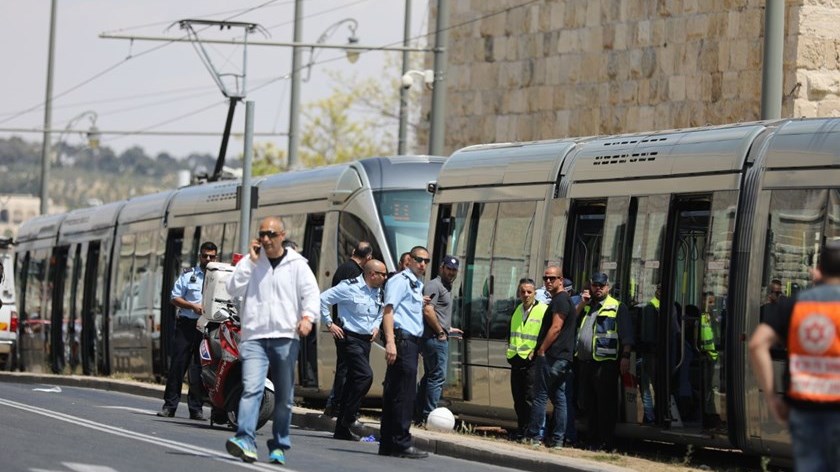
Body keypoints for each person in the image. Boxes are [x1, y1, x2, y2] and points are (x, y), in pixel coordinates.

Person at [224, 217, 320, 465]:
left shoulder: (297, 264)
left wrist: (308, 318)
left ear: (282, 235)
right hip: (255, 336)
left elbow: (311, 294)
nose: (265, 239)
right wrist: (250, 263)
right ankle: (245, 438)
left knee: (284, 398)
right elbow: (233, 288)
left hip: (285, 338)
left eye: (271, 234)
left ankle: (279, 444)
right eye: (262, 234)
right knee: (252, 388)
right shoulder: (251, 262)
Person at [749, 241, 840, 472]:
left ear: (820, 269)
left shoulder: (795, 304)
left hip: (804, 409)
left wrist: (771, 397)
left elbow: (757, 344)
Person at [320, 259, 387, 441]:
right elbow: (322, 299)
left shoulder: (378, 291)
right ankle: (350, 416)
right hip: (348, 338)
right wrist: (329, 323)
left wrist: (375, 326)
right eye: (382, 274)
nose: (385, 277)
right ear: (372, 274)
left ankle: (341, 429)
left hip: (366, 341)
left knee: (352, 381)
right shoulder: (349, 287)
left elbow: (380, 311)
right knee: (365, 376)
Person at [378, 246, 431, 459]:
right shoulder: (400, 281)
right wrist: (390, 342)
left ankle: (389, 442)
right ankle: (401, 442)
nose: (422, 264)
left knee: (394, 392)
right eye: (419, 259)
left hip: (409, 341)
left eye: (426, 261)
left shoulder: (416, 284)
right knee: (405, 394)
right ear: (408, 260)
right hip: (402, 340)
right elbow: (388, 312)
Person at [157, 241, 217, 420]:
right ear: (200, 256)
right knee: (178, 366)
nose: (208, 259)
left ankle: (196, 408)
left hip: (206, 328)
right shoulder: (189, 275)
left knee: (200, 368)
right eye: (205, 256)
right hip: (187, 326)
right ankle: (170, 406)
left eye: (211, 256)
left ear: (216, 257)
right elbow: (174, 297)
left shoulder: (220, 277)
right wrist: (192, 306)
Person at [576, 272, 634, 450]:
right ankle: (591, 439)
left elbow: (627, 336)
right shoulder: (586, 306)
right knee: (589, 403)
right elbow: (571, 322)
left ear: (608, 287)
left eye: (602, 286)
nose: (598, 288)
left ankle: (605, 441)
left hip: (606, 363)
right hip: (586, 362)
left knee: (605, 405)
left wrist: (625, 357)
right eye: (595, 285)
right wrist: (582, 303)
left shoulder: (617, 307)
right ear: (590, 286)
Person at [524, 265, 576, 449]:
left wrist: (542, 350)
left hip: (552, 356)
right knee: (559, 397)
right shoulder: (564, 300)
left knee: (540, 395)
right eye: (545, 278)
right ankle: (557, 440)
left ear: (561, 280)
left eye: (552, 278)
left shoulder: (560, 301)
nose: (548, 281)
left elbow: (556, 328)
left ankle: (534, 437)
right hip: (562, 357)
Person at [323, 241, 373, 417]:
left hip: (341, 325)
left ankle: (335, 404)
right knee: (348, 370)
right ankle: (338, 405)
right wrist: (330, 323)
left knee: (345, 368)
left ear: (353, 251)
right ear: (368, 258)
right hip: (346, 328)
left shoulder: (342, 268)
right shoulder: (354, 273)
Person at [415, 255, 460, 424]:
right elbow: (428, 310)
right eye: (448, 269)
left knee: (430, 376)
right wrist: (441, 331)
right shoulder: (435, 285)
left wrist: (448, 329)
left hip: (439, 335)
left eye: (454, 270)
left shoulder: (446, 286)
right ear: (442, 267)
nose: (451, 272)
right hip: (434, 338)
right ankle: (428, 415)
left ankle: (419, 414)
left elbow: (438, 312)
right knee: (437, 377)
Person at [506, 278, 549, 440]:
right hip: (516, 358)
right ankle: (521, 429)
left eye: (529, 292)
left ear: (535, 294)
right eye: (523, 291)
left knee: (530, 398)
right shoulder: (517, 309)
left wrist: (537, 350)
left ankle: (532, 432)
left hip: (533, 360)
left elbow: (546, 333)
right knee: (518, 399)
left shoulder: (543, 310)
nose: (525, 295)